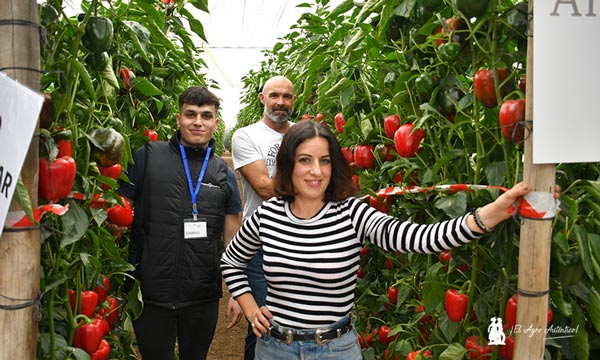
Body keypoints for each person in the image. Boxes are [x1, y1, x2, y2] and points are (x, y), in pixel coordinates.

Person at [220, 119, 559, 359]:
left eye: (324, 161)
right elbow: (231, 261)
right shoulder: (269, 215)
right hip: (275, 349)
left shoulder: (352, 213)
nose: (316, 171)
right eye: (305, 160)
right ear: (289, 164)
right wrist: (251, 308)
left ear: (334, 165)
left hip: (335, 351)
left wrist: (493, 213)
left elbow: (420, 238)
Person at [118, 86, 243, 360]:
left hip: (202, 295)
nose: (198, 122)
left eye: (206, 116)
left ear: (215, 122)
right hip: (151, 293)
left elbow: (233, 243)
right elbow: (119, 214)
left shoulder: (224, 175)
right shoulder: (147, 157)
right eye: (191, 114)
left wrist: (236, 293)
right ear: (178, 119)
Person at [230, 75, 295, 359]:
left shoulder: (304, 132)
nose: (280, 102)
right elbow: (265, 188)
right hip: (261, 244)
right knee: (263, 323)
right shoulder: (246, 136)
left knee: (299, 320)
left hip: (302, 239)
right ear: (262, 98)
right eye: (274, 96)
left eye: (287, 96)